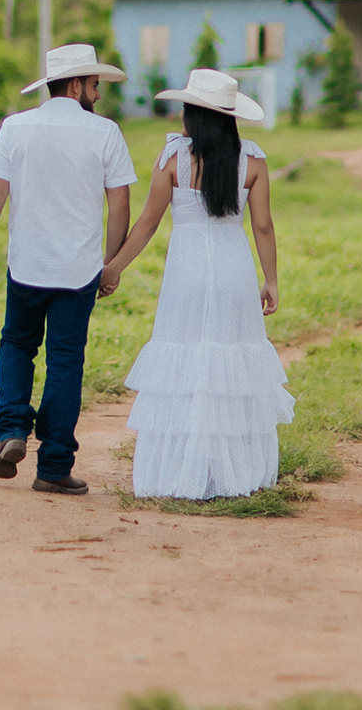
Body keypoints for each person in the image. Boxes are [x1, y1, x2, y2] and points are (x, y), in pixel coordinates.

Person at [100, 67, 294, 501]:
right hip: (234, 270)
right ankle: (230, 475)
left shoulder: (173, 160)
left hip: (185, 274)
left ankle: (178, 472)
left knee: (186, 366)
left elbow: (148, 224)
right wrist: (272, 279)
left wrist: (113, 267)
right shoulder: (253, 162)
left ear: (192, 116)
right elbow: (262, 226)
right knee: (230, 367)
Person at [0, 42, 136, 496]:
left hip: (26, 267)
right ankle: (54, 465)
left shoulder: (15, 128)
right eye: (95, 85)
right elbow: (120, 205)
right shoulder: (106, 134)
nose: (98, 94)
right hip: (77, 272)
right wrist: (111, 264)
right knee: (65, 362)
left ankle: (12, 431)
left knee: (17, 345)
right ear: (76, 84)